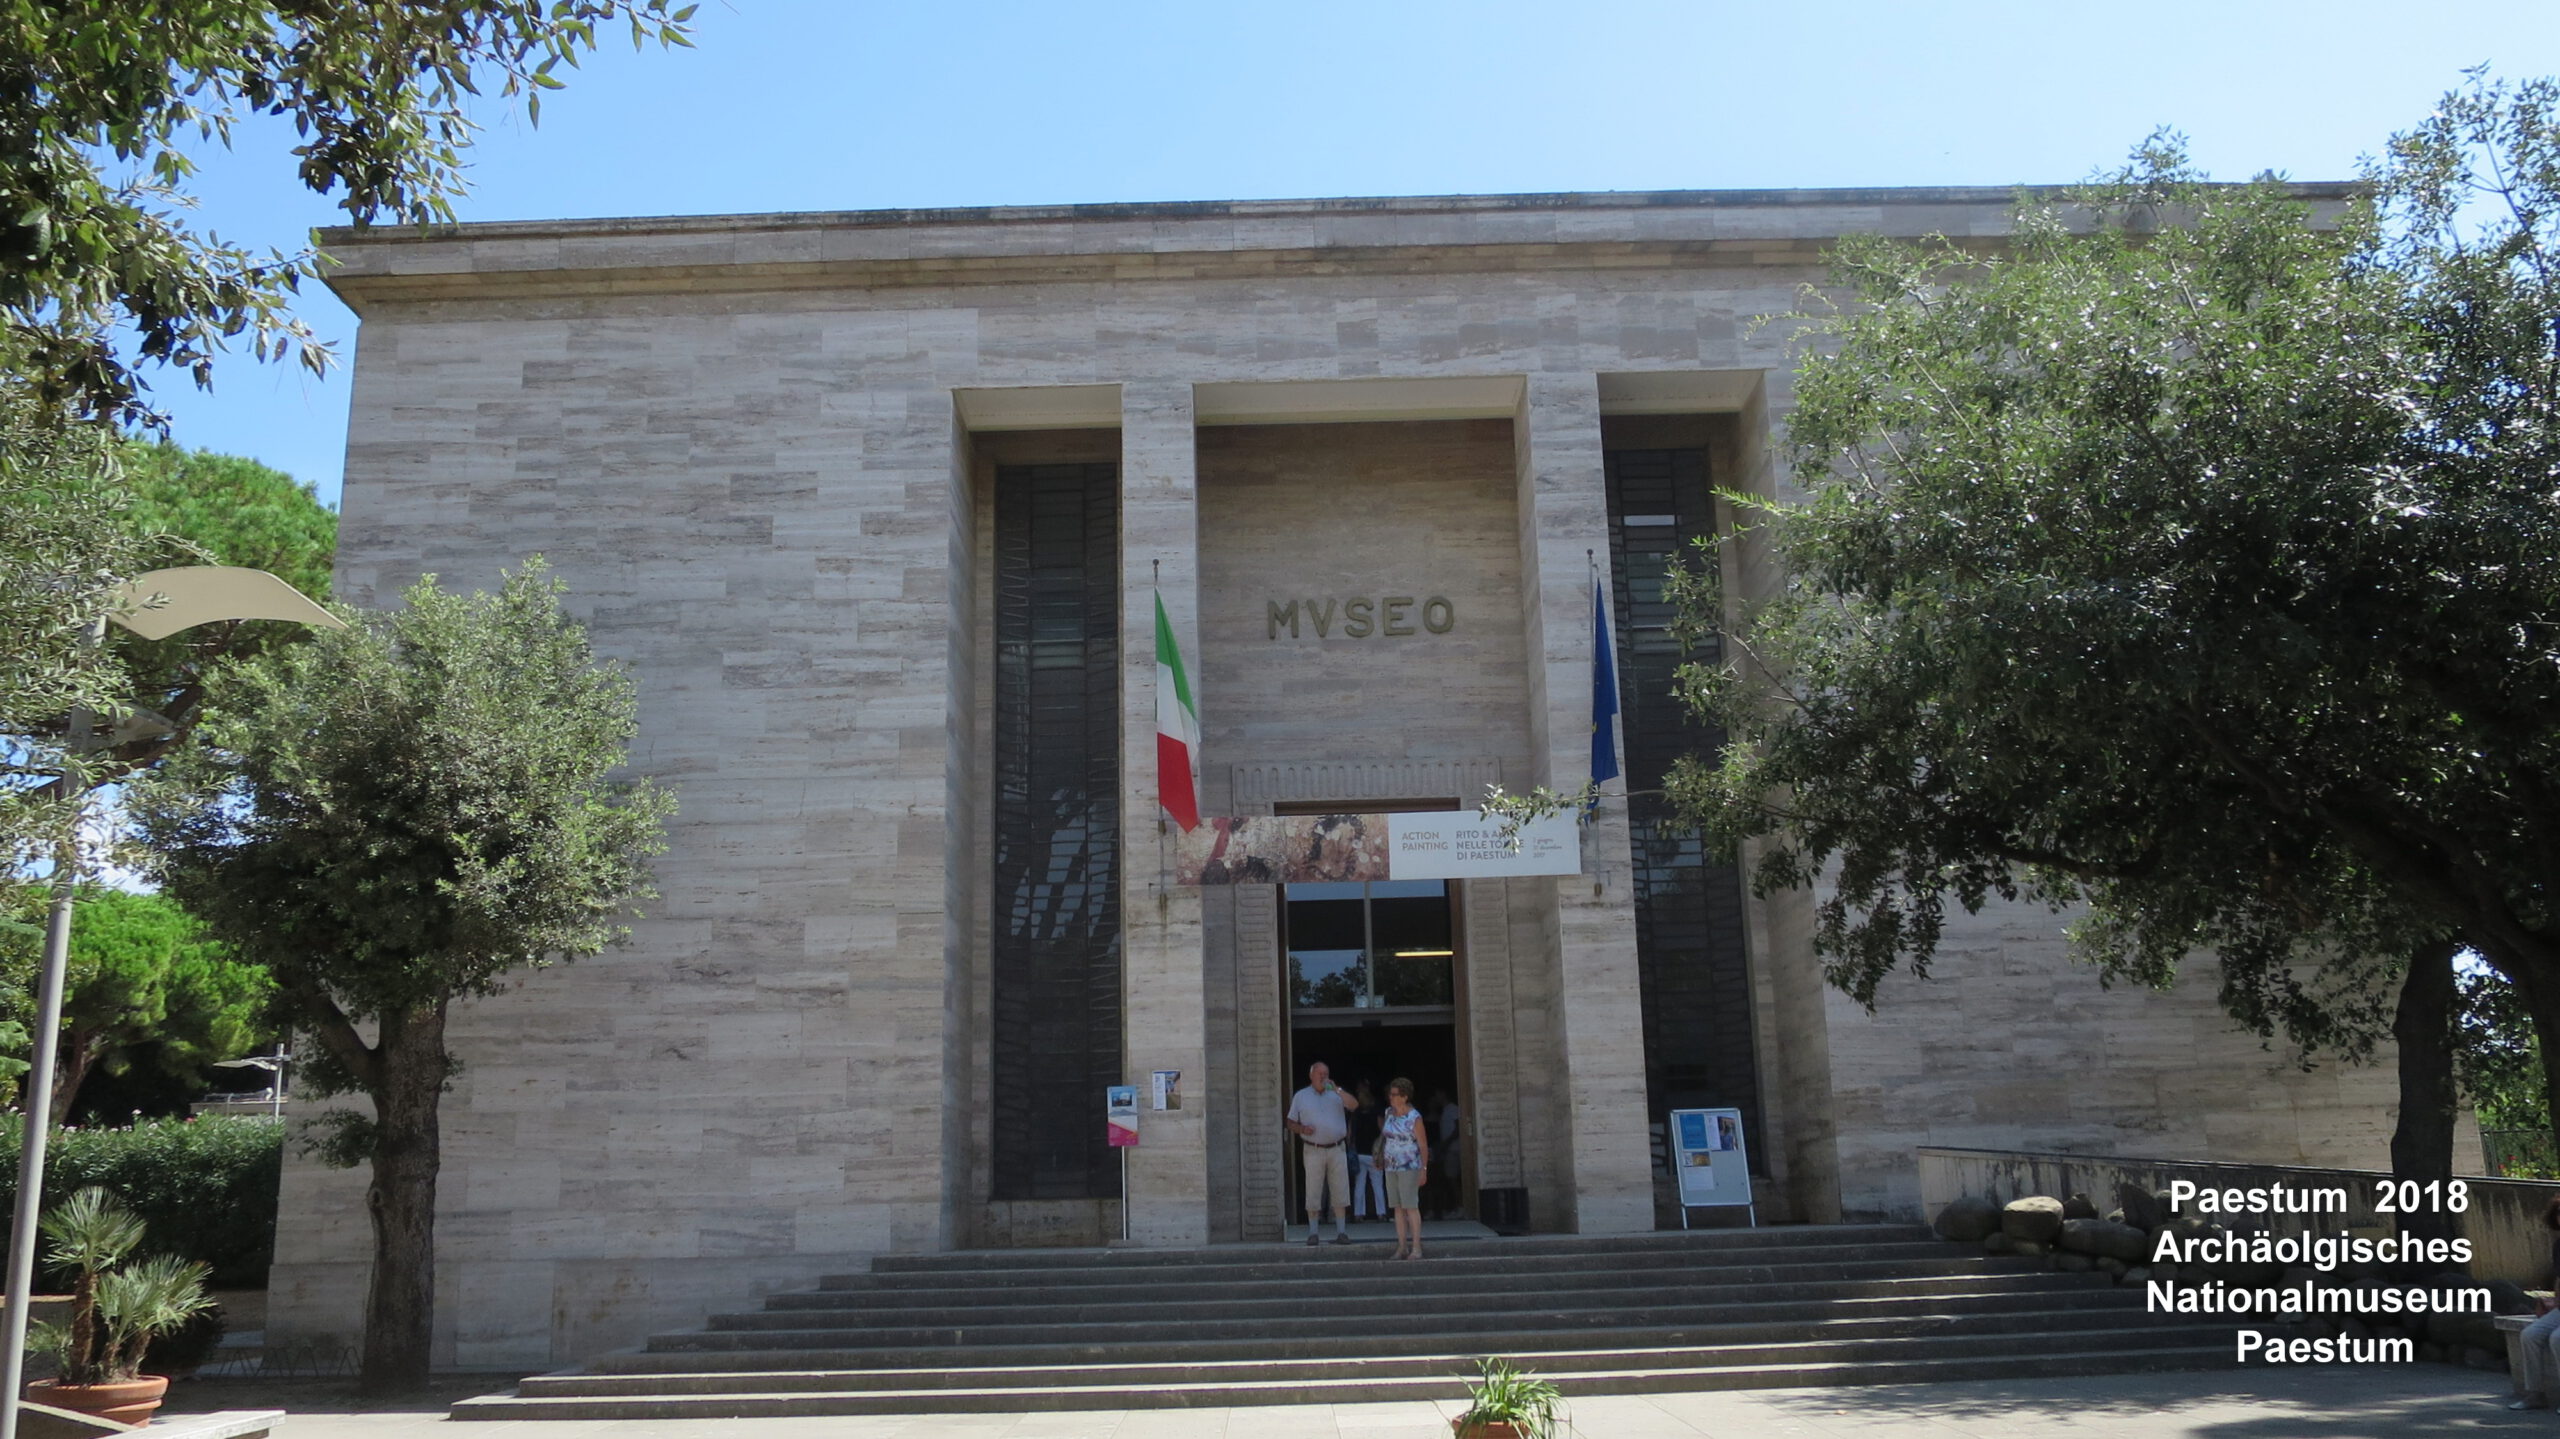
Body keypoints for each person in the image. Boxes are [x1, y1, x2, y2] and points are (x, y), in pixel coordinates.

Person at [1284, 1060, 1360, 1246]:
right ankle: (1313, 1233)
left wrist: (1338, 1090)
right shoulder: (1301, 1096)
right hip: (1313, 1149)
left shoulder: (1336, 1095)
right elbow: (1290, 1122)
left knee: (1340, 1189)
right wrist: (1302, 1129)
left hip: (1337, 1148)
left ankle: (1341, 1232)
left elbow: (1354, 1105)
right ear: (1311, 1076)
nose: (1323, 1077)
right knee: (1313, 1190)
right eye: (1320, 1074)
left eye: (1326, 1073)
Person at [2513, 1193, 2560, 1408]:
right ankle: (2535, 1394)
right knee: (2530, 1335)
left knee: (2557, 1338)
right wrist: (2552, 1303)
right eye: (2558, 1212)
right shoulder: (2559, 1246)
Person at [1379, 1076, 1431, 1259]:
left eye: (1394, 1095)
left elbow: (1423, 1145)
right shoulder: (1388, 1113)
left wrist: (1424, 1169)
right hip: (1391, 1166)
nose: (1391, 1098)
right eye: (1390, 1094)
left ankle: (1416, 1247)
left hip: (1409, 1166)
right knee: (1397, 1207)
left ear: (1405, 1096)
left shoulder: (1414, 1117)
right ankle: (1402, 1246)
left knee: (1410, 1206)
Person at [1349, 1080, 1386, 1222]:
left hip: (1359, 1152)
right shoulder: (1377, 1109)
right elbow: (1382, 1130)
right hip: (1374, 1152)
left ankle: (1358, 1214)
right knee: (1377, 1184)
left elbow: (1349, 1131)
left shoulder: (1356, 1110)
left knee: (1359, 1184)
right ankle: (1381, 1213)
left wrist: (1350, 1145)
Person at [1428, 1088, 1463, 1219]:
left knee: (1452, 1179)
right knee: (1448, 1179)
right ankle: (1454, 1207)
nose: (1436, 1098)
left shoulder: (1453, 1109)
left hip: (1454, 1149)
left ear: (1443, 1094)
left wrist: (1447, 1142)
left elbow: (1458, 1128)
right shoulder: (1444, 1111)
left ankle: (1461, 1207)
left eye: (1437, 1094)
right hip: (1448, 1150)